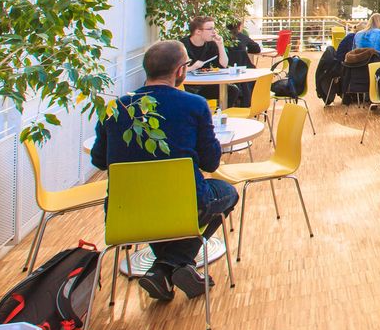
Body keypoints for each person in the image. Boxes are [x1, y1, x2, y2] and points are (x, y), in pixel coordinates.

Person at [91, 40, 237, 301]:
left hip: (125, 213)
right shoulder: (194, 105)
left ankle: (163, 269)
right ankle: (171, 265)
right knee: (227, 192)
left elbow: (100, 161)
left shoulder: (115, 108)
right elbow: (211, 164)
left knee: (161, 210)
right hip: (186, 204)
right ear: (181, 70)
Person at [180, 16, 235, 105]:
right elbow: (175, 70)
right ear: (198, 31)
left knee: (232, 90)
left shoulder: (210, 44)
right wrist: (192, 67)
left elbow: (223, 65)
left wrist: (220, 45)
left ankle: (220, 116)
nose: (214, 32)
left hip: (204, 85)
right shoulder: (182, 46)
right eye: (210, 29)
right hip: (187, 86)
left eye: (214, 28)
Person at [225, 22, 262, 107]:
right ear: (239, 27)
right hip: (245, 71)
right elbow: (256, 49)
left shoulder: (222, 38)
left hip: (226, 72)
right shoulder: (242, 37)